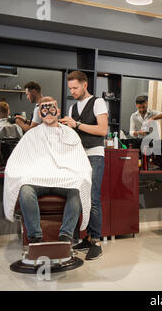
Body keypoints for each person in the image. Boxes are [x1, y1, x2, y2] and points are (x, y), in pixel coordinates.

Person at [3, 97, 92, 243]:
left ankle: (65, 236)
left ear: (58, 111)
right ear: (39, 113)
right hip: (38, 180)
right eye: (44, 110)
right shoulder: (32, 134)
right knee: (25, 189)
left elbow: (79, 160)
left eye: (52, 109)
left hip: (64, 180)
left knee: (76, 190)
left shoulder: (70, 134)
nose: (48, 113)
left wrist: (79, 175)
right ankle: (35, 237)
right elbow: (17, 161)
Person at [60, 71, 108, 260]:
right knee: (79, 197)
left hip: (94, 155)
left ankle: (96, 241)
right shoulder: (72, 108)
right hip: (77, 157)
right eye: (70, 88)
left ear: (85, 85)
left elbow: (102, 130)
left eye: (75, 88)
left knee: (93, 197)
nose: (72, 91)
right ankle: (87, 238)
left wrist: (77, 124)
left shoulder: (98, 102)